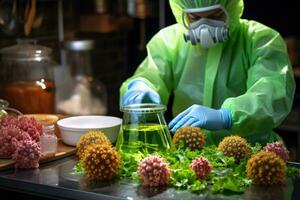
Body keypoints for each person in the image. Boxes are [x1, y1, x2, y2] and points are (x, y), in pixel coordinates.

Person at [120, 0, 295, 145]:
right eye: (194, 17)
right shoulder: (169, 41)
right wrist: (141, 86)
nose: (204, 26)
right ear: (182, 12)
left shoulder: (261, 40)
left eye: (214, 16)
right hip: (188, 155)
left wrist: (227, 116)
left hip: (252, 155)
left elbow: (271, 93)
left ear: (231, 8)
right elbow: (152, 72)